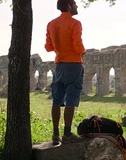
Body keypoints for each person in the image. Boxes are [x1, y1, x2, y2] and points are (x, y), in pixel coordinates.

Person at [45, 0, 86, 145]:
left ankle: (55, 134)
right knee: (71, 100)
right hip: (74, 64)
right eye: (75, 4)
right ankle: (67, 134)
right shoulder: (75, 23)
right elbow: (77, 45)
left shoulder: (51, 24)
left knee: (56, 100)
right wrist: (82, 51)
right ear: (69, 6)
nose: (77, 6)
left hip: (59, 65)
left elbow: (48, 47)